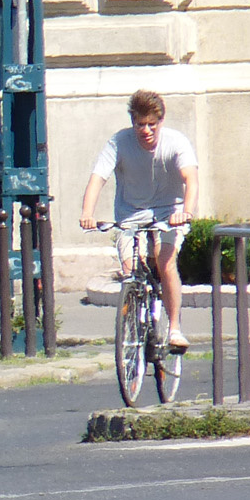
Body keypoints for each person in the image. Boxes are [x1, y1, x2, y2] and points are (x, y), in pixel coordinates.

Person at [79, 89, 199, 351]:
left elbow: (191, 178)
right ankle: (137, 320)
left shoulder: (175, 142)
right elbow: (98, 178)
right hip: (131, 213)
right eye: (140, 124)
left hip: (170, 212)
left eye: (151, 125)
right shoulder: (119, 142)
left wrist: (186, 212)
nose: (145, 131)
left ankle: (174, 327)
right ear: (132, 121)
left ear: (160, 122)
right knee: (130, 268)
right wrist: (87, 213)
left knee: (164, 259)